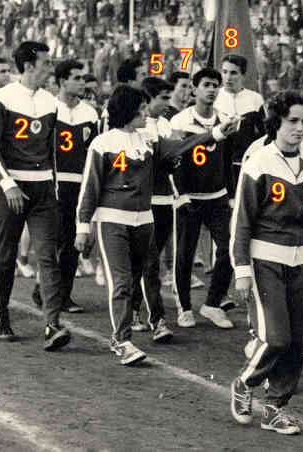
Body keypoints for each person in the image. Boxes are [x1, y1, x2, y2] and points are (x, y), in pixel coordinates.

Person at [75, 85, 238, 364]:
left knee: (141, 275)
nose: (145, 114)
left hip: (144, 221)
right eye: (140, 109)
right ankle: (121, 340)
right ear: (127, 111)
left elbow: (183, 145)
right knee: (121, 282)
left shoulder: (149, 139)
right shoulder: (102, 143)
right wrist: (83, 227)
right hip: (113, 221)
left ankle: (146, 323)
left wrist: (217, 133)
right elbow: (90, 188)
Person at [229, 90, 303, 435]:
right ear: (276, 122)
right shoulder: (259, 162)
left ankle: (275, 408)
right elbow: (242, 222)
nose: (300, 128)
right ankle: (245, 383)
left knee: (298, 340)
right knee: (276, 337)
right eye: (293, 121)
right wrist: (242, 269)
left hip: (302, 263)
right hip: (265, 262)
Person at [0, 41, 71, 350]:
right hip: (11, 187)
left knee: (48, 255)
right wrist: (8, 184)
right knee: (5, 255)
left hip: (43, 188)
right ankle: (1, 316)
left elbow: (52, 151)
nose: (51, 67)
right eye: (46, 62)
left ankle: (52, 324)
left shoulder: (50, 102)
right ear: (29, 66)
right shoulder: (2, 98)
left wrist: (54, 188)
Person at [30, 59, 99, 314]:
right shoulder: (48, 108)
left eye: (83, 78)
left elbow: (93, 152)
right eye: (77, 78)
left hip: (79, 185)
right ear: (62, 81)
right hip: (53, 183)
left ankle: (64, 294)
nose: (82, 83)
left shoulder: (90, 113)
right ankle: (42, 287)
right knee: (52, 241)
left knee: (73, 243)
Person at [170, 68, 236, 329]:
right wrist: (180, 195)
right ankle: (184, 307)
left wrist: (230, 195)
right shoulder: (180, 121)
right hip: (190, 198)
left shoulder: (225, 120)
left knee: (229, 249)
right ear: (194, 89)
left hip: (217, 196)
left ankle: (212, 304)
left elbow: (227, 161)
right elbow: (173, 162)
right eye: (207, 84)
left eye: (216, 85)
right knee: (184, 255)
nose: (212, 89)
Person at [128, 76, 177, 342]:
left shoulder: (167, 125)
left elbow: (172, 162)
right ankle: (155, 319)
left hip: (165, 199)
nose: (168, 104)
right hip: (145, 202)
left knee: (150, 261)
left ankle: (138, 310)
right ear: (148, 100)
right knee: (147, 262)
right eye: (163, 98)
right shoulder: (139, 128)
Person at [214, 54, 266, 204]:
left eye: (233, 73)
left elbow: (264, 134)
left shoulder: (255, 99)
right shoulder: (214, 97)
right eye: (224, 72)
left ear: (243, 75)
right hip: (218, 165)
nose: (228, 77)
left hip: (245, 162)